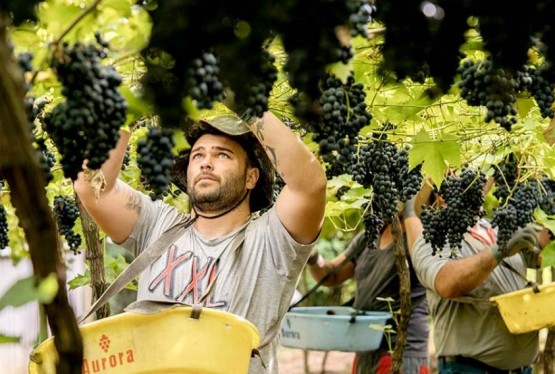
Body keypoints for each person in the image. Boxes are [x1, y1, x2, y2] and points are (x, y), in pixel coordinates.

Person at [74, 110, 328, 374]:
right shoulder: (157, 224)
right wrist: (126, 113)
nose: (206, 163)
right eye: (198, 155)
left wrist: (242, 93)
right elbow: (91, 187)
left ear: (251, 177)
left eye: (222, 154)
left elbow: (309, 185)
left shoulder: (272, 241)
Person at [406, 195, 550, 373]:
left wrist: (548, 218)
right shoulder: (433, 239)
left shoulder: (498, 228)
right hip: (468, 369)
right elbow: (446, 282)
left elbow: (543, 251)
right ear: (439, 196)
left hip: (523, 369)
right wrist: (498, 251)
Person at [306, 200, 431, 374]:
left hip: (400, 352)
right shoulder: (369, 236)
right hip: (365, 349)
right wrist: (313, 257)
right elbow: (332, 275)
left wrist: (412, 212)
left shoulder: (417, 234)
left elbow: (426, 264)